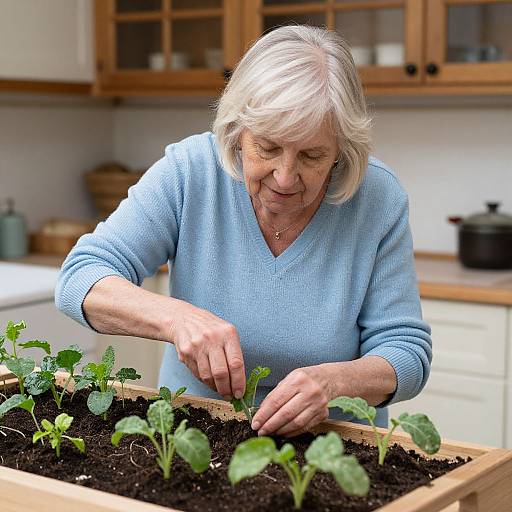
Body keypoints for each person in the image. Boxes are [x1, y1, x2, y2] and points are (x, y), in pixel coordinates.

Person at [56, 25, 431, 437]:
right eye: (267, 148)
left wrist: (336, 383)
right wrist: (178, 318)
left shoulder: (376, 198)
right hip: (198, 433)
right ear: (237, 132)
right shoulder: (190, 172)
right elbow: (80, 279)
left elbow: (406, 352)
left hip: (335, 441)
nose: (285, 177)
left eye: (311, 155)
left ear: (342, 149)